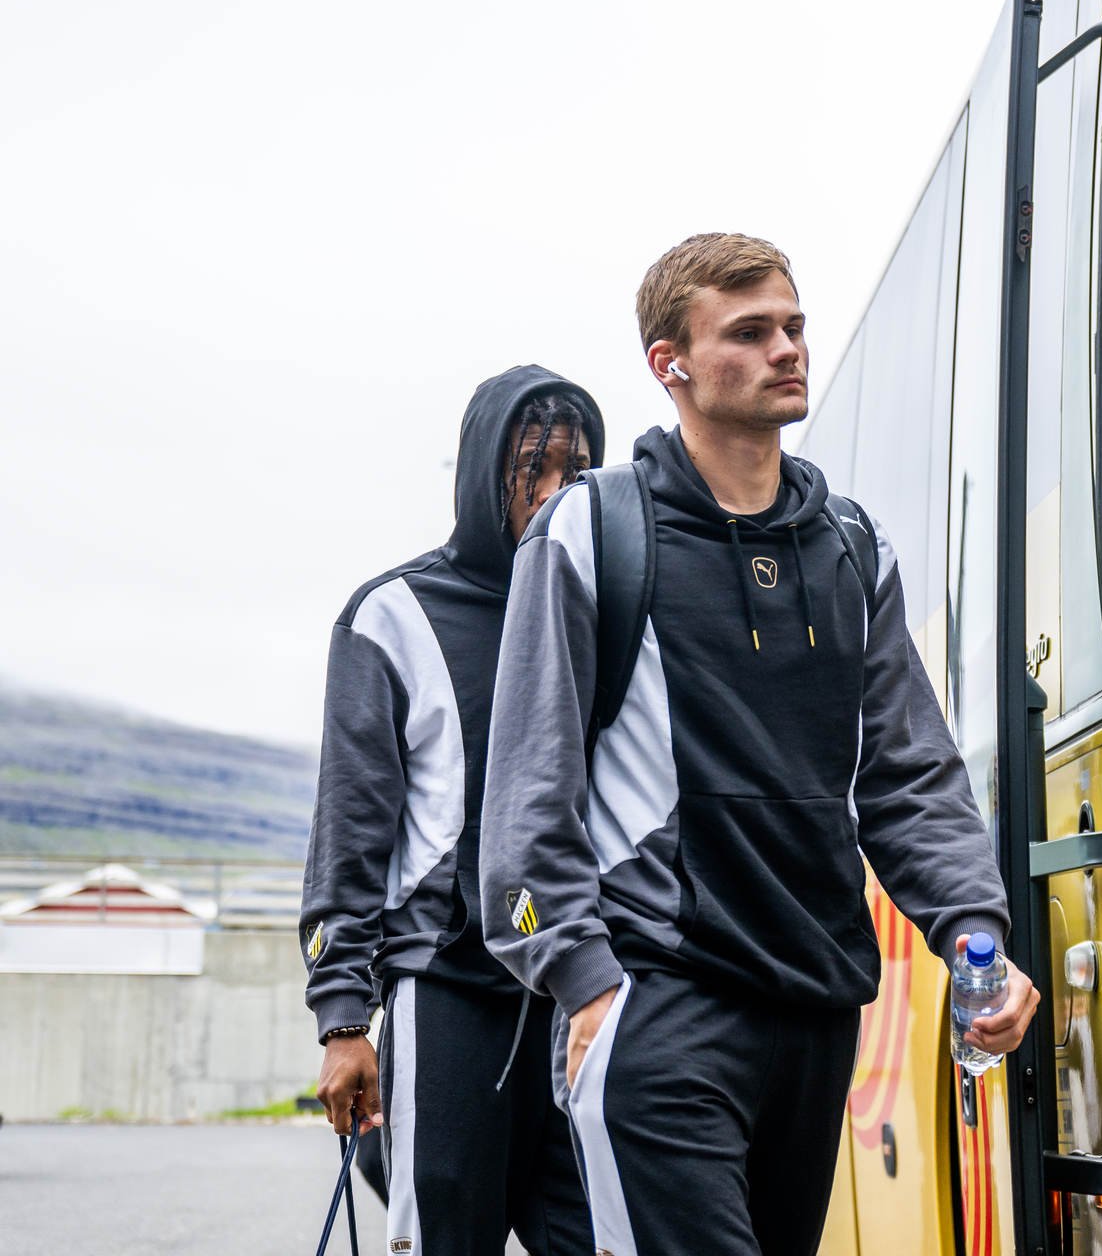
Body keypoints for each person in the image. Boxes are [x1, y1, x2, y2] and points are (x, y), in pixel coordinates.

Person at [480, 234, 1041, 1256]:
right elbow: (528, 793)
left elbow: (909, 772)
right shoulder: (590, 530)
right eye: (749, 332)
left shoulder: (850, 546)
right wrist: (587, 981)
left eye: (793, 326)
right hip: (660, 1001)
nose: (786, 348)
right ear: (671, 363)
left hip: (818, 1010)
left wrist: (974, 932)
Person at [299, 365, 604, 1256]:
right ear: (484, 474)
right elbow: (349, 829)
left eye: (575, 470)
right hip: (450, 996)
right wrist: (344, 1019)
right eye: (531, 468)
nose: (555, 492)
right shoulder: (391, 614)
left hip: (584, 995)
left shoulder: (603, 600)